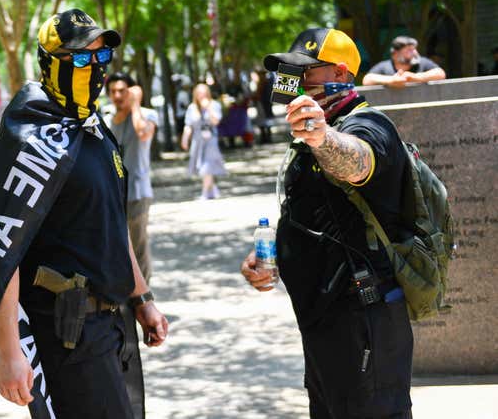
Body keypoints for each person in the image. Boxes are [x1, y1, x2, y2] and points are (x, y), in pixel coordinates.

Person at [0, 9, 168, 419]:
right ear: (50, 62)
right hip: (66, 332)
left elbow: (112, 223)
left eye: (102, 58)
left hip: (110, 323)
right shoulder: (30, 137)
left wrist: (142, 299)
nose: (96, 69)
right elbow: (7, 248)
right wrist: (10, 350)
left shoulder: (91, 126)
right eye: (83, 58)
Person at [241, 28, 414, 418]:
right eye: (291, 73)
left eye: (305, 72)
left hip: (363, 320)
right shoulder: (305, 137)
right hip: (323, 321)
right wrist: (269, 252)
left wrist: (322, 138)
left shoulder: (368, 125)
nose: (294, 82)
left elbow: (358, 162)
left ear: (339, 72)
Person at [104, 72, 158, 285]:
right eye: (113, 91)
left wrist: (135, 105)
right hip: (111, 195)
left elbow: (143, 133)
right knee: (115, 247)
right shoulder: (106, 120)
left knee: (138, 246)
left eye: (122, 91)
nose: (117, 96)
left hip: (137, 192)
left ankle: (144, 298)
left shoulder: (147, 115)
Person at [180, 83, 227, 199]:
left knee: (207, 166)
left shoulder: (214, 105)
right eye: (199, 93)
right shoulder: (192, 108)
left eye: (204, 93)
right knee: (201, 166)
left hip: (211, 140)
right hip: (198, 141)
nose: (201, 96)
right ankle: (213, 188)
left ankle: (205, 192)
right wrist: (185, 138)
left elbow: (216, 122)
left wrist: (209, 109)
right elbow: (188, 125)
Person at [362, 35, 446, 87]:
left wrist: (414, 77)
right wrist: (392, 80)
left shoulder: (422, 62)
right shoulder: (385, 66)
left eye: (414, 49)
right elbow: (367, 80)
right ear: (395, 53)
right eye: (409, 50)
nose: (415, 53)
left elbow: (440, 73)